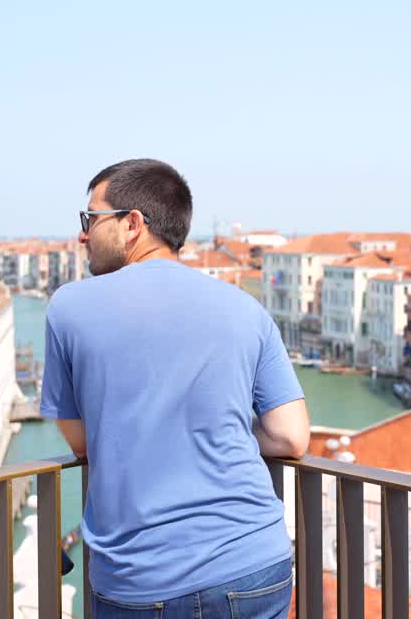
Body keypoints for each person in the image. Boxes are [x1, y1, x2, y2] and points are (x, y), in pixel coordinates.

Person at [40, 158, 310, 619]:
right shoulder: (245, 309)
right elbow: (291, 436)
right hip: (254, 563)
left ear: (132, 224)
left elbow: (83, 440)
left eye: (90, 219)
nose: (82, 235)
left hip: (140, 579)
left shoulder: (70, 307)